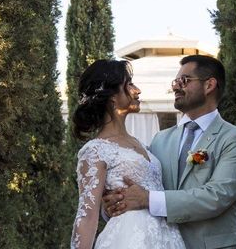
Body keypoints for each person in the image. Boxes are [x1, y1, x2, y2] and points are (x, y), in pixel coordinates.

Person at [103, 55, 236, 249]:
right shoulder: (160, 139)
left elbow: (217, 196)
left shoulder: (235, 139)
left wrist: (148, 199)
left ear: (209, 85)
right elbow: (140, 187)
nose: (175, 87)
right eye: (175, 81)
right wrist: (114, 205)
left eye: (184, 80)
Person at [70, 59, 186, 249]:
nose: (137, 90)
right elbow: (87, 216)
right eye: (129, 84)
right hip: (129, 240)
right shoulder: (94, 151)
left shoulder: (141, 143)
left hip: (167, 237)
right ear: (112, 97)